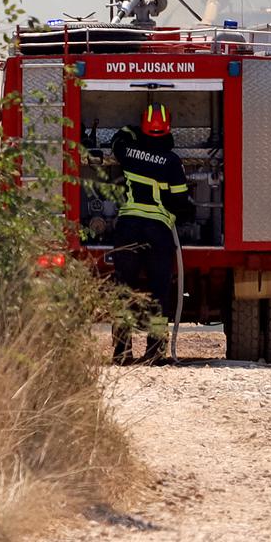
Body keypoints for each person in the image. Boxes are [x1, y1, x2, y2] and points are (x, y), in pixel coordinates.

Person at [110, 102, 193, 364]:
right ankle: (155, 352)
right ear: (168, 128)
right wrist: (188, 213)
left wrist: (130, 131)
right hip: (158, 231)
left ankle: (121, 352)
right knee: (159, 291)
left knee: (124, 289)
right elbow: (180, 201)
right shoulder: (172, 161)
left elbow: (117, 141)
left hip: (128, 228)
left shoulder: (129, 152)